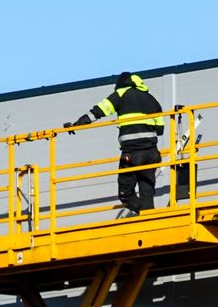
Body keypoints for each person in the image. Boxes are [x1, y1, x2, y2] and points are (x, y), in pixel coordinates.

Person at [68, 72, 166, 214]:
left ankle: (141, 211)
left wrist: (76, 124)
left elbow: (98, 111)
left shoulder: (121, 94)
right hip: (152, 153)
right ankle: (148, 217)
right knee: (147, 192)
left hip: (132, 153)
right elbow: (160, 129)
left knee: (125, 193)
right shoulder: (151, 99)